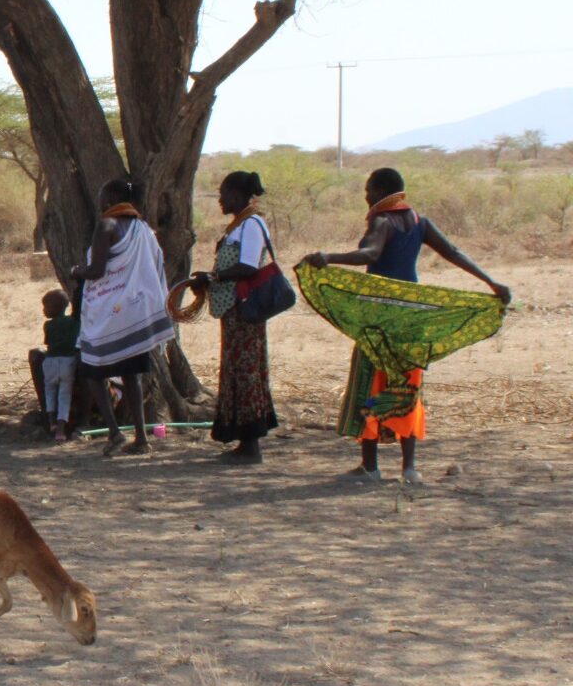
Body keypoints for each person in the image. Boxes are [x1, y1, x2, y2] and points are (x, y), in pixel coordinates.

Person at [304, 167, 512, 483]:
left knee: (370, 383)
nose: (366, 196)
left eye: (368, 189)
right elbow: (453, 252)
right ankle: (409, 468)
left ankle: (370, 467)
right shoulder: (419, 221)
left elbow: (370, 253)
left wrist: (328, 257)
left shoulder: (382, 221)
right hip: (411, 319)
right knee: (407, 386)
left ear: (380, 191)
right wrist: (491, 282)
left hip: (379, 320)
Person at [71, 177, 174, 457]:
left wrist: (77, 271)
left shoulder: (106, 225)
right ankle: (141, 438)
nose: (100, 201)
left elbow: (97, 271)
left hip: (109, 313)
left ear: (111, 198)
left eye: (102, 196)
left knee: (91, 369)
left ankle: (115, 433)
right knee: (132, 375)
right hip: (135, 313)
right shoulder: (144, 229)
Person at [191, 171, 280, 464]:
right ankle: (244, 442)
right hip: (235, 310)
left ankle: (251, 446)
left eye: (224, 194)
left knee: (245, 372)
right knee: (238, 370)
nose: (220, 199)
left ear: (239, 195)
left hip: (244, 310)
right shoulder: (240, 225)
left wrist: (213, 277)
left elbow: (248, 267)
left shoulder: (251, 225)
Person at [38, 289, 78, 442]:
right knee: (64, 395)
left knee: (49, 392)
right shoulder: (73, 322)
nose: (43, 310)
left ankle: (51, 422)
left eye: (46, 307)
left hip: (51, 361)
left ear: (55, 307)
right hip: (68, 361)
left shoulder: (48, 325)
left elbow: (47, 342)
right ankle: (61, 430)